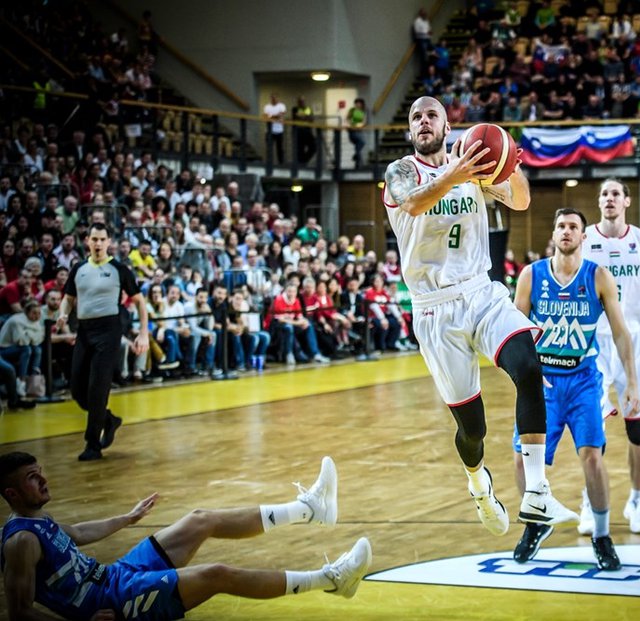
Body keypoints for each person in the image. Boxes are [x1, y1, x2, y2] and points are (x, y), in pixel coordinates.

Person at [382, 96, 577, 536]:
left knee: (528, 365)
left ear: (447, 127)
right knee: (473, 429)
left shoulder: (473, 168)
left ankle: (538, 492)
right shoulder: (401, 172)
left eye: (432, 115)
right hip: (434, 310)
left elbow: (522, 202)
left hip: (480, 291)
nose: (424, 121)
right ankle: (478, 483)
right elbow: (412, 204)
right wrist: (459, 172)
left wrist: (508, 165)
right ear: (411, 129)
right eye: (416, 116)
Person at [0, 452, 372, 621]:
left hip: (114, 576)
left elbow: (78, 532)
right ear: (12, 494)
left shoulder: (40, 520)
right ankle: (331, 581)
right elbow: (18, 612)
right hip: (113, 604)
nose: (43, 480)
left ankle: (311, 511)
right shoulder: (20, 543)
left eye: (41, 471)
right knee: (217, 574)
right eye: (32, 478)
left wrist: (128, 518)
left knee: (199, 520)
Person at [511, 208, 640, 569]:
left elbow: (619, 332)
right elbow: (516, 330)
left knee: (593, 459)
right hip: (544, 383)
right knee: (521, 459)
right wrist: (525, 373)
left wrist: (630, 381)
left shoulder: (598, 276)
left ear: (584, 236)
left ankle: (601, 534)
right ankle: (536, 524)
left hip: (583, 380)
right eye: (561, 226)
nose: (566, 232)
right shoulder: (530, 276)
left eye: (573, 227)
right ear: (553, 234)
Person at [580, 179, 640, 535]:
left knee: (637, 427)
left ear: (627, 201)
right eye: (603, 193)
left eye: (615, 193)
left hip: (631, 340)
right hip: (592, 340)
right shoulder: (585, 238)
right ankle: (590, 501)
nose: (608, 199)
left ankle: (637, 500)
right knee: (593, 427)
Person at [57, 223, 149, 461]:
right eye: (94, 239)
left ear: (109, 242)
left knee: (98, 387)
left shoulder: (119, 269)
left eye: (102, 239)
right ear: (87, 241)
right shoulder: (78, 269)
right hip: (85, 330)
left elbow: (140, 302)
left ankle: (92, 444)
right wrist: (62, 313)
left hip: (109, 330)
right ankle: (108, 419)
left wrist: (143, 333)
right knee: (77, 388)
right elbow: (68, 299)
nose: (98, 244)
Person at [263, 93, 287, 165]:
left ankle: (281, 163)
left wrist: (271, 116)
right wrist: (275, 116)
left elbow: (281, 115)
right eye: (272, 98)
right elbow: (265, 117)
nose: (273, 99)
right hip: (269, 131)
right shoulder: (267, 107)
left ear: (277, 98)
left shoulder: (281, 106)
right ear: (271, 99)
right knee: (269, 148)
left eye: (275, 98)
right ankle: (269, 163)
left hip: (279, 130)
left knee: (280, 148)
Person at [346, 98, 367, 169]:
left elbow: (364, 121)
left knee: (358, 147)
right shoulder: (352, 110)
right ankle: (357, 159)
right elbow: (348, 119)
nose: (358, 105)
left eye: (359, 103)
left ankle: (357, 162)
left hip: (359, 130)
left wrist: (360, 126)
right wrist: (353, 125)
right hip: (352, 131)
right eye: (357, 103)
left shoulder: (363, 111)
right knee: (360, 143)